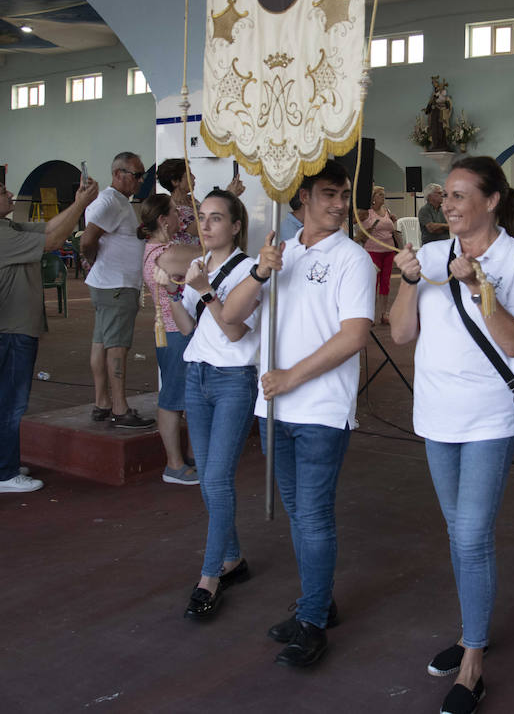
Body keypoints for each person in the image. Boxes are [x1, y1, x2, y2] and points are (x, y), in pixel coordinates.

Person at [388, 156, 514, 714]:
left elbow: (513, 342)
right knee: (458, 530)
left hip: (488, 417)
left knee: (472, 534)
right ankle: (469, 631)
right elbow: (402, 332)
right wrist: (409, 281)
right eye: (445, 196)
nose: (448, 205)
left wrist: (483, 285)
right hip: (436, 415)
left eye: (459, 196)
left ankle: (473, 662)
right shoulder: (432, 256)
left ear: (491, 201)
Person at [221, 159, 374, 668]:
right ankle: (318, 602)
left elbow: (353, 336)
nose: (338, 203)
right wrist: (261, 271)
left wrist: (291, 377)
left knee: (312, 516)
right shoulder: (277, 254)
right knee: (297, 513)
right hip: (274, 410)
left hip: (321, 410)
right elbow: (231, 316)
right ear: (301, 198)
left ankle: (311, 621)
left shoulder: (353, 259)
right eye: (328, 193)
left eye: (343, 194)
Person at [0, 171, 98, 494]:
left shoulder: (4, 226)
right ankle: (3, 473)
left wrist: (78, 202)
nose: (9, 194)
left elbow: (50, 228)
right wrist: (81, 203)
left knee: (7, 397)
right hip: (11, 328)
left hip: (13, 325)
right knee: (13, 402)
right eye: (1, 192)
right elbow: (53, 242)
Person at [173, 189, 261, 619]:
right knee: (207, 479)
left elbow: (235, 332)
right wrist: (172, 295)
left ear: (236, 225)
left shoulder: (250, 271)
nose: (205, 226)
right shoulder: (199, 265)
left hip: (232, 379)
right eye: (202, 218)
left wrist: (206, 291)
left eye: (216, 218)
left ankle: (210, 575)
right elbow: (189, 326)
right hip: (198, 375)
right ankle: (233, 558)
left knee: (218, 479)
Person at [81, 151, 153, 428]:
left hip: (109, 284)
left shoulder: (118, 202)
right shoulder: (111, 201)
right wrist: (91, 259)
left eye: (142, 174)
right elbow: (88, 238)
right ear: (117, 174)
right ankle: (120, 408)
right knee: (117, 348)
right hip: (116, 286)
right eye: (136, 175)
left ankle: (102, 403)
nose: (140, 180)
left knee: (101, 343)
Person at [139, 193, 200, 484]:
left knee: (181, 395)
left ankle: (186, 459)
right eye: (175, 212)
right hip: (175, 331)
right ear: (164, 220)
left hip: (176, 330)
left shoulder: (160, 249)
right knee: (173, 398)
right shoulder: (166, 253)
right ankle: (174, 465)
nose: (180, 216)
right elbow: (207, 255)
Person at [356, 185, 401, 324]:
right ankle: (370, 314)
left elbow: (392, 231)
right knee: (372, 283)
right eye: (380, 195)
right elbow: (359, 230)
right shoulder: (367, 213)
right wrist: (368, 228)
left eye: (384, 194)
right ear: (373, 198)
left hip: (388, 250)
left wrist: (393, 221)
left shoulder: (387, 211)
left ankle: (384, 313)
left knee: (385, 283)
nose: (383, 197)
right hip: (373, 251)